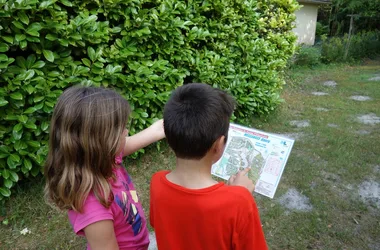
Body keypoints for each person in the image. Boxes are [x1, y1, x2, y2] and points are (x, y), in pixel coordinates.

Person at [44, 86, 165, 250]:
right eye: (121, 130)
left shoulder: (107, 159)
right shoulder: (92, 207)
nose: (126, 132)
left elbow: (154, 132)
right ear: (101, 143)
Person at [150, 83, 268, 250]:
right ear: (219, 145)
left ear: (168, 139)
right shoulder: (239, 202)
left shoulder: (157, 182)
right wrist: (239, 194)